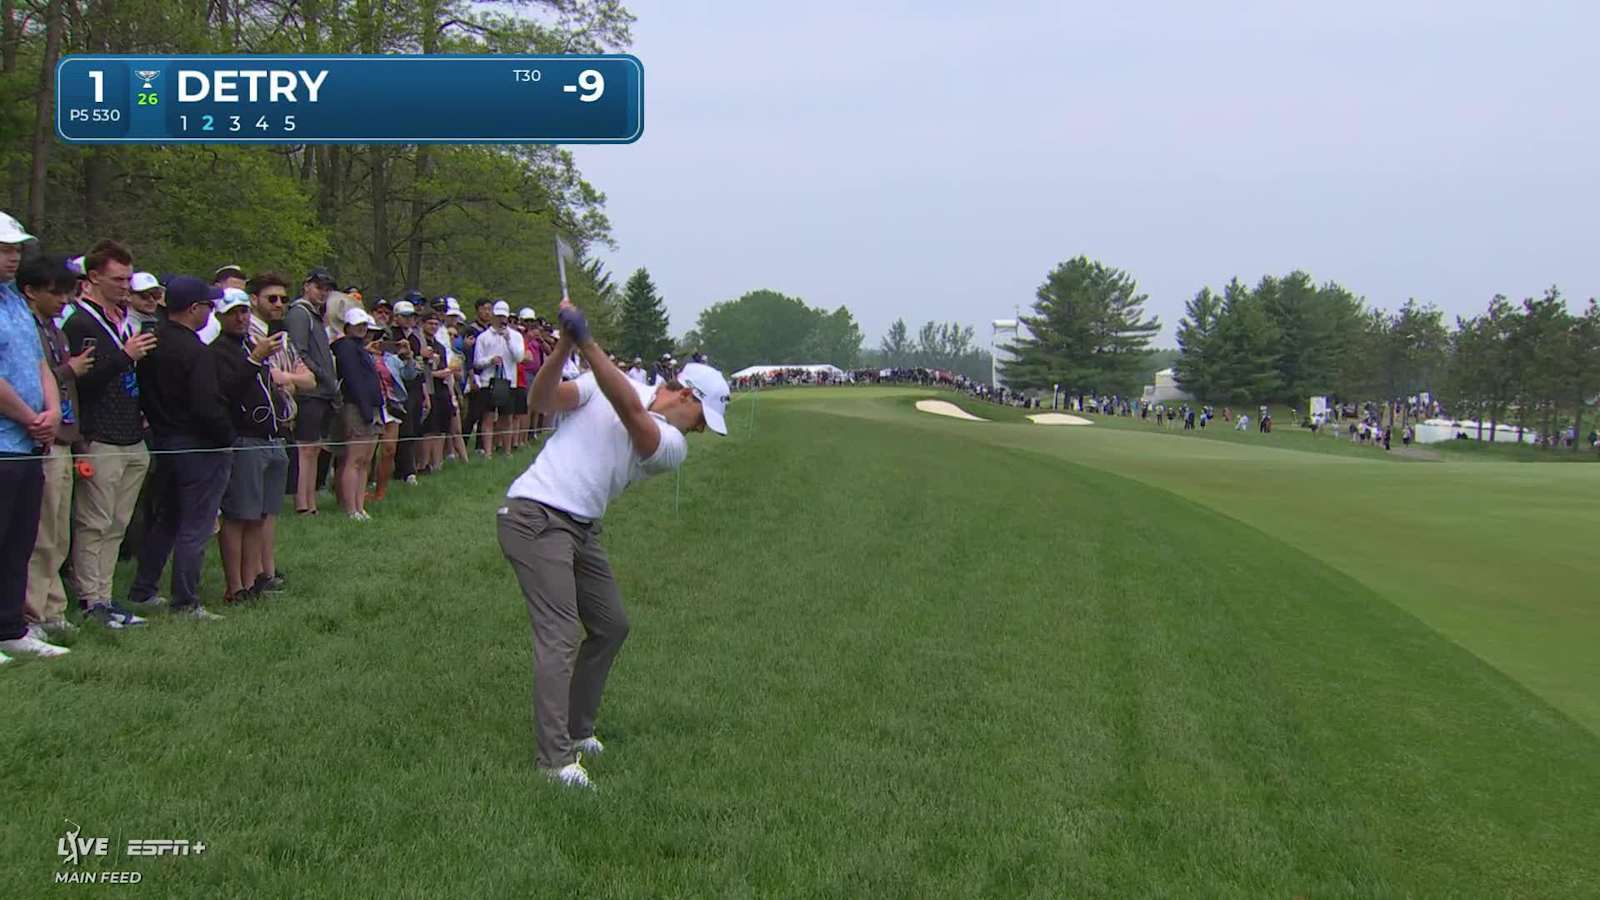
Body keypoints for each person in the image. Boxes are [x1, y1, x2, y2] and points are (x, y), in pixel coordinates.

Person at [497, 300, 729, 788]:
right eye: (702, 417)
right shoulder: (611, 383)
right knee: (559, 634)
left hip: (581, 527)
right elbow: (540, 400)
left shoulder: (671, 446)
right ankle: (555, 761)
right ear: (686, 393)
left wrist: (587, 342)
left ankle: (580, 731)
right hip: (535, 515)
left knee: (610, 625)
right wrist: (563, 345)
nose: (701, 429)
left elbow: (628, 411)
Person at [128, 276, 237, 621]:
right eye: (208, 305)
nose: (211, 311)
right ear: (193, 309)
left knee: (167, 518)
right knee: (197, 524)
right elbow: (207, 405)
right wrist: (226, 435)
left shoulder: (152, 344)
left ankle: (144, 589)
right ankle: (185, 600)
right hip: (199, 445)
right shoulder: (195, 351)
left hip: (164, 442)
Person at [62, 240, 158, 627]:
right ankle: (90, 599)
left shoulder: (123, 319)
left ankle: (105, 593)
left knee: (118, 523)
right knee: (94, 521)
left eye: (128, 279)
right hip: (99, 433)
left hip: (131, 431)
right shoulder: (79, 322)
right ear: (94, 276)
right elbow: (82, 381)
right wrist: (125, 356)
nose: (124, 286)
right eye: (117, 279)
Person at [0, 212, 70, 661]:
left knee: (19, 541)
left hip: (28, 442)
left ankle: (10, 627)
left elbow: (39, 363)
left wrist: (49, 412)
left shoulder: (14, 303)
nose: (13, 258)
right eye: (5, 250)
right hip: (5, 440)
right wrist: (29, 416)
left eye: (16, 250)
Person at [21, 254, 93, 637]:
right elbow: (36, 380)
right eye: (56, 293)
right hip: (40, 439)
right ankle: (34, 611)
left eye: (67, 293)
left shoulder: (56, 330)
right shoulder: (26, 328)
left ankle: (53, 606)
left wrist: (77, 437)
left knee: (59, 533)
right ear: (30, 291)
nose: (63, 300)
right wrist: (70, 370)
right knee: (40, 532)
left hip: (65, 438)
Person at [211, 289, 288, 604]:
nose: (241, 318)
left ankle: (253, 577)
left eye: (244, 311)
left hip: (269, 435)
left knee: (259, 514)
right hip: (244, 438)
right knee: (239, 515)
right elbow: (227, 391)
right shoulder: (217, 352)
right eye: (233, 313)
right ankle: (235, 585)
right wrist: (255, 359)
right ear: (220, 316)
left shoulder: (248, 345)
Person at [285, 267, 339, 515]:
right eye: (319, 287)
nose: (323, 293)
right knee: (305, 449)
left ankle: (311, 500)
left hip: (323, 390)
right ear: (307, 285)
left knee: (314, 448)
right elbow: (299, 351)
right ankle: (302, 503)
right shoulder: (299, 313)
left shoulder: (316, 315)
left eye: (327, 289)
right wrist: (323, 375)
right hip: (309, 391)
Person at [331, 306, 382, 521]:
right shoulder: (345, 348)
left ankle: (360, 506)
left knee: (365, 461)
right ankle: (351, 508)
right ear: (348, 326)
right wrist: (364, 407)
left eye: (364, 326)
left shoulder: (361, 348)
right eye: (358, 326)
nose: (362, 329)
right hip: (356, 406)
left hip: (370, 406)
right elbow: (353, 380)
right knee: (354, 459)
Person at [472, 300, 524, 457]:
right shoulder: (483, 337)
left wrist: (508, 339)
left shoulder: (515, 336)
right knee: (487, 417)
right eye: (499, 316)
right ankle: (488, 452)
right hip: (488, 381)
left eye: (504, 317)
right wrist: (490, 360)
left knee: (506, 418)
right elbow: (477, 362)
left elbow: (519, 357)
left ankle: (507, 451)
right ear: (494, 316)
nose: (502, 320)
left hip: (509, 382)